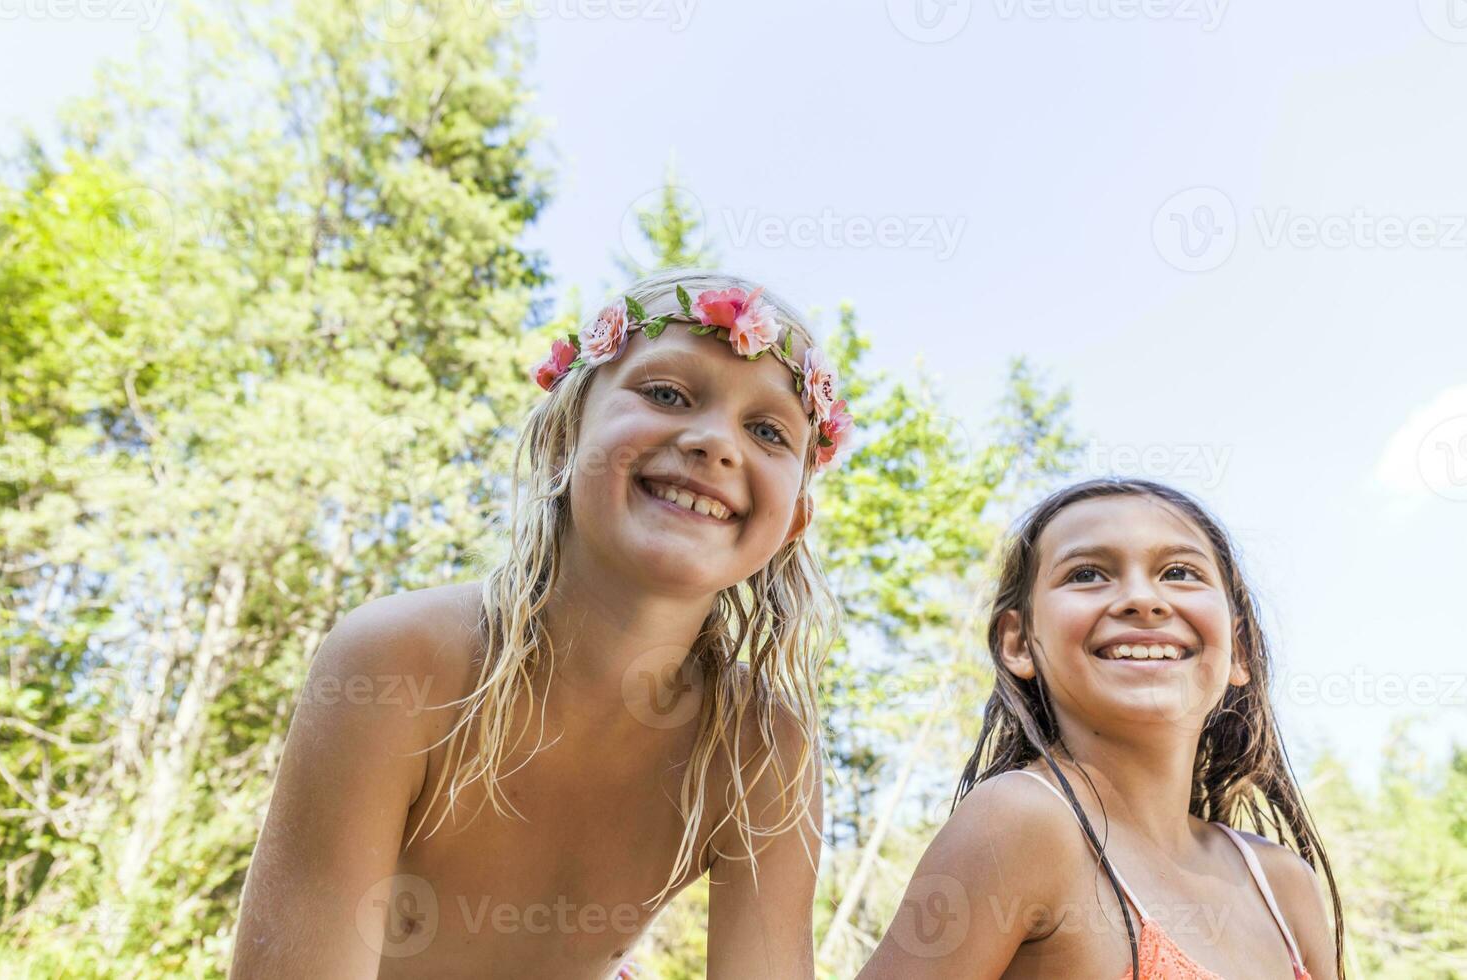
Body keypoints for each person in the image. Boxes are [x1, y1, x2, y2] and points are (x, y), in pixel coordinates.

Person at [231, 269, 853, 979]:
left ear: (795, 521)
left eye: (768, 430)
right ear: (563, 437)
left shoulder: (762, 747)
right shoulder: (396, 663)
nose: (715, 442)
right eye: (666, 394)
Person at [859, 479, 1345, 979]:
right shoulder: (1019, 822)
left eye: (1179, 572)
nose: (1142, 599)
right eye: (1088, 574)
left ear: (1239, 649)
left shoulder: (1285, 886)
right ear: (1019, 643)